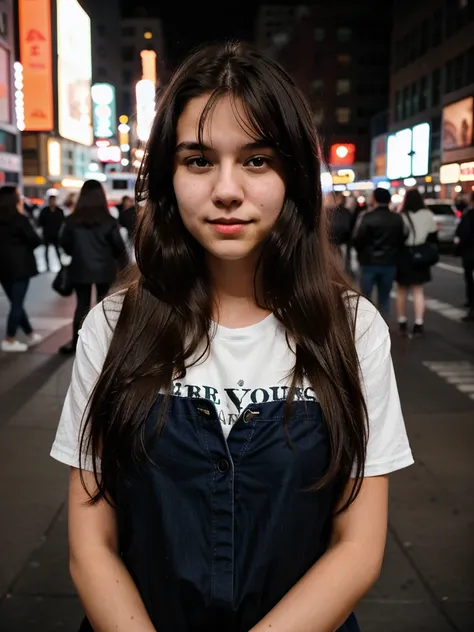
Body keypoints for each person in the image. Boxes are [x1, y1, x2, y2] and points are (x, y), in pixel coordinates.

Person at [50, 42, 413, 632]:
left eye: (256, 160)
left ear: (293, 176)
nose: (226, 189)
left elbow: (358, 549)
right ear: (167, 175)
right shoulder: (114, 326)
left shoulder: (352, 328)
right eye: (197, 160)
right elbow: (91, 545)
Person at [58, 180, 128, 355]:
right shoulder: (109, 220)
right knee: (103, 306)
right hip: (105, 270)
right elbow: (118, 247)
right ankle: (103, 344)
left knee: (81, 306)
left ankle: (76, 343)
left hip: (80, 269)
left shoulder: (72, 220)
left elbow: (65, 244)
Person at [0, 186, 43, 352]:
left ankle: (30, 334)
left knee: (16, 302)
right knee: (17, 304)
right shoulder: (19, 219)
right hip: (20, 267)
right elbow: (35, 240)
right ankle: (9, 339)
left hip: (2, 268)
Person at [353, 187, 406, 320]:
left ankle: (366, 328)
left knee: (365, 298)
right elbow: (403, 237)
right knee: (384, 298)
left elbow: (357, 239)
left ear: (374, 199)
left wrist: (362, 254)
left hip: (368, 262)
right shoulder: (397, 218)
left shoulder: (367, 217)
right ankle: (383, 327)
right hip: (389, 262)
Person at [395, 189, 438, 337]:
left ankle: (402, 321)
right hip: (421, 254)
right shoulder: (428, 215)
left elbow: (398, 237)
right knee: (418, 290)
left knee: (401, 289)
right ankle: (419, 323)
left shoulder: (401, 216)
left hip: (404, 254)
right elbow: (433, 235)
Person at [455, 190, 474, 322]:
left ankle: (471, 305)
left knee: (470, 279)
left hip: (470, 253)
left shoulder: (469, 215)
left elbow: (463, 232)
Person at [38, 194, 65, 271]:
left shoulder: (59, 211)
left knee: (57, 250)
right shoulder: (44, 211)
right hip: (47, 233)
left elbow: (63, 222)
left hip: (56, 234)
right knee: (46, 250)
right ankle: (47, 266)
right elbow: (40, 222)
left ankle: (60, 264)